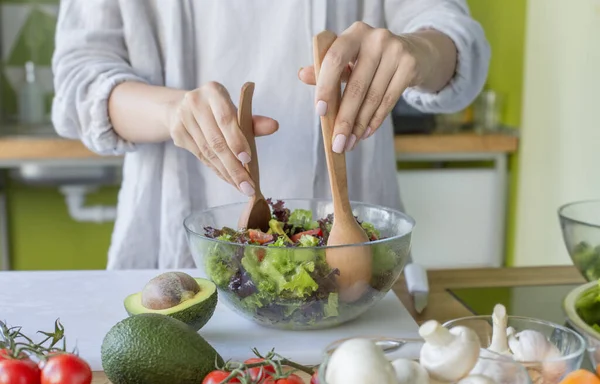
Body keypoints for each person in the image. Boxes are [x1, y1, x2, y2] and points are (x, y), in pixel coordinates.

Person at [51, 1, 490, 270]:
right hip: (167, 248)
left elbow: (453, 34)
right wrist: (173, 112)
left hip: (359, 266)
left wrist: (419, 50)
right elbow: (78, 82)